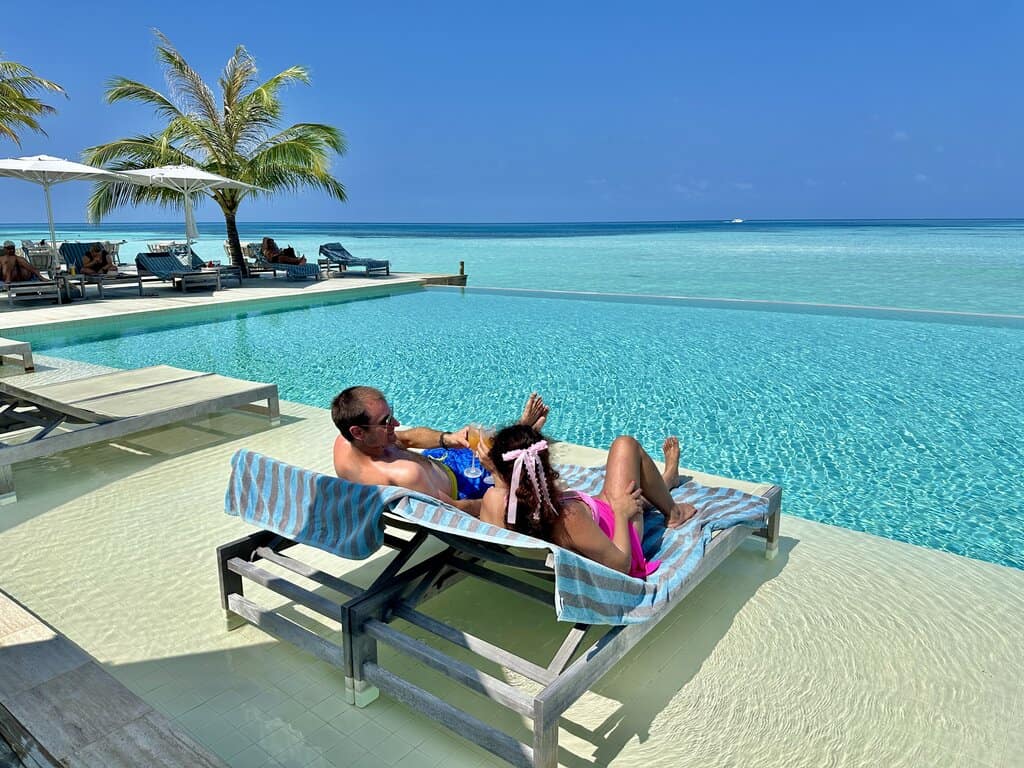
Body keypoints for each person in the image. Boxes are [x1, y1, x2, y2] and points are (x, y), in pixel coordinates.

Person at [478, 425, 697, 579]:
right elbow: (622, 566)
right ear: (544, 464)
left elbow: (507, 488)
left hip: (592, 521)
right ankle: (673, 512)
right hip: (616, 535)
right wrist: (622, 515)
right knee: (625, 445)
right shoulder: (568, 517)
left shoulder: (495, 503)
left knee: (629, 491)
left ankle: (666, 481)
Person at [331, 387, 549, 514]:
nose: (395, 423)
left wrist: (448, 439)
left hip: (438, 461)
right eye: (386, 421)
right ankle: (523, 433)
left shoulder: (345, 443)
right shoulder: (407, 474)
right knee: (506, 461)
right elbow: (456, 509)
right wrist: (499, 501)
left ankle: (521, 432)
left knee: (478, 438)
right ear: (358, 432)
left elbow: (407, 438)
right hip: (463, 485)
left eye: (391, 415)